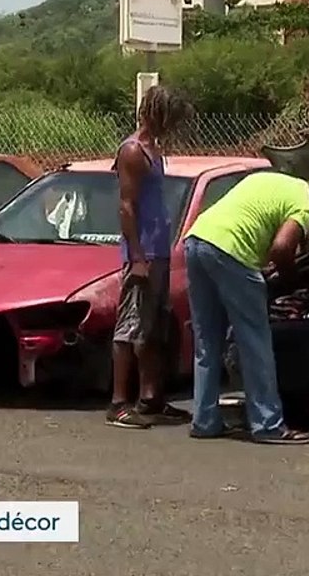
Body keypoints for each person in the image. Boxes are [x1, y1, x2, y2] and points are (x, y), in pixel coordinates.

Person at [183, 172, 309, 443]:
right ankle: (268, 425)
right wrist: (290, 277)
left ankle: (204, 420)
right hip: (231, 252)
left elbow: (253, 222)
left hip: (197, 241)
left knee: (207, 342)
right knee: (255, 344)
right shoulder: (305, 207)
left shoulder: (272, 180)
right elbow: (281, 247)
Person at [106, 85, 195, 429]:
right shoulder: (132, 152)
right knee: (129, 326)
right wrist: (138, 257)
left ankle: (150, 398)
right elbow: (126, 207)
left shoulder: (154, 151)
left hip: (159, 252)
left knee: (152, 328)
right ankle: (118, 403)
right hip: (142, 253)